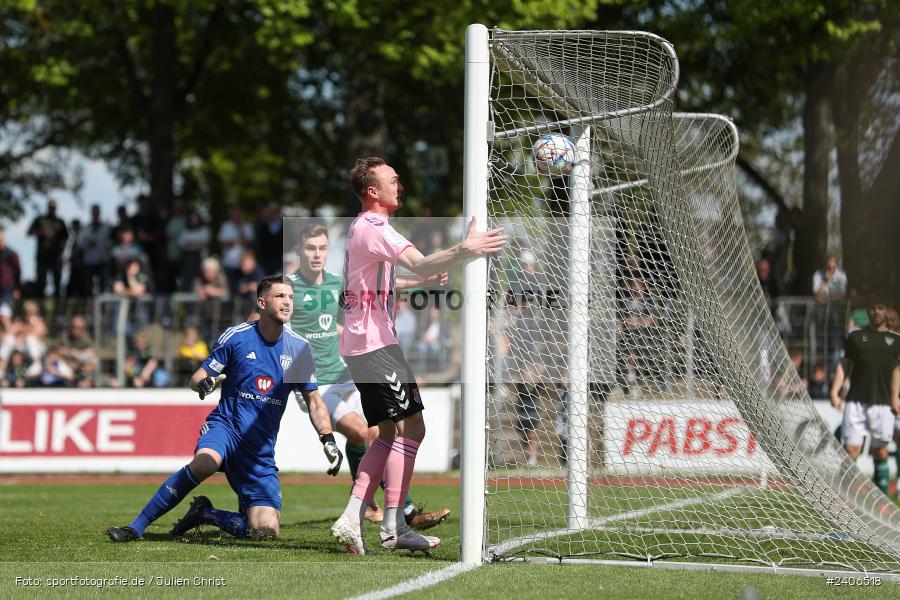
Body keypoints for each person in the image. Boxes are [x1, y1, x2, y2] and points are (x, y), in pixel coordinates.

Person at [330, 157, 506, 554]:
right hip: (376, 346)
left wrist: (416, 280)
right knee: (414, 429)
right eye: (392, 180)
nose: (400, 185)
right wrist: (466, 248)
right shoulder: (375, 228)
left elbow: (378, 282)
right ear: (373, 192)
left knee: (390, 432)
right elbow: (421, 259)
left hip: (364, 345)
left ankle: (363, 518)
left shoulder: (361, 229)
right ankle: (387, 525)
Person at [107, 275, 342, 542]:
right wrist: (205, 384)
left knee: (265, 532)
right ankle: (136, 527)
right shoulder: (237, 337)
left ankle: (205, 513)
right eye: (280, 296)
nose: (287, 302)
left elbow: (314, 401)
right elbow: (197, 378)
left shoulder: (299, 349)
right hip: (226, 428)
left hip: (259, 452)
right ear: (262, 303)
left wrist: (328, 438)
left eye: (290, 297)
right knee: (206, 463)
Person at [288, 222, 450, 531]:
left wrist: (422, 279)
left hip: (345, 375)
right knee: (366, 433)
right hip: (316, 385)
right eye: (311, 248)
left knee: (382, 432)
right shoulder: (289, 288)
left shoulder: (337, 283)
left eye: (323, 247)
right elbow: (262, 318)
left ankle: (382, 508)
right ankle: (391, 510)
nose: (318, 254)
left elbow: (386, 286)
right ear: (298, 251)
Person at [830, 299, 900, 495]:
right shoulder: (855, 336)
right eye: (873, 307)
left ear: (886, 311)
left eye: (881, 307)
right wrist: (835, 392)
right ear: (868, 311)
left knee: (880, 452)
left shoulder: (896, 341)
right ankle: (843, 498)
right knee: (851, 450)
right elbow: (844, 365)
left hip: (883, 404)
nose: (876, 311)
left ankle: (882, 500)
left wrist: (895, 398)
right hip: (855, 402)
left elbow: (897, 371)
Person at [27, 199, 68, 297]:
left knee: (57, 282)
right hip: (42, 256)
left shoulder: (60, 222)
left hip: (56, 257)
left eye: (53, 208)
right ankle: (41, 305)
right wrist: (41, 232)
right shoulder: (40, 220)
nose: (52, 209)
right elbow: (29, 232)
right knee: (41, 282)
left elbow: (65, 238)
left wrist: (62, 252)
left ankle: (58, 306)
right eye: (50, 207)